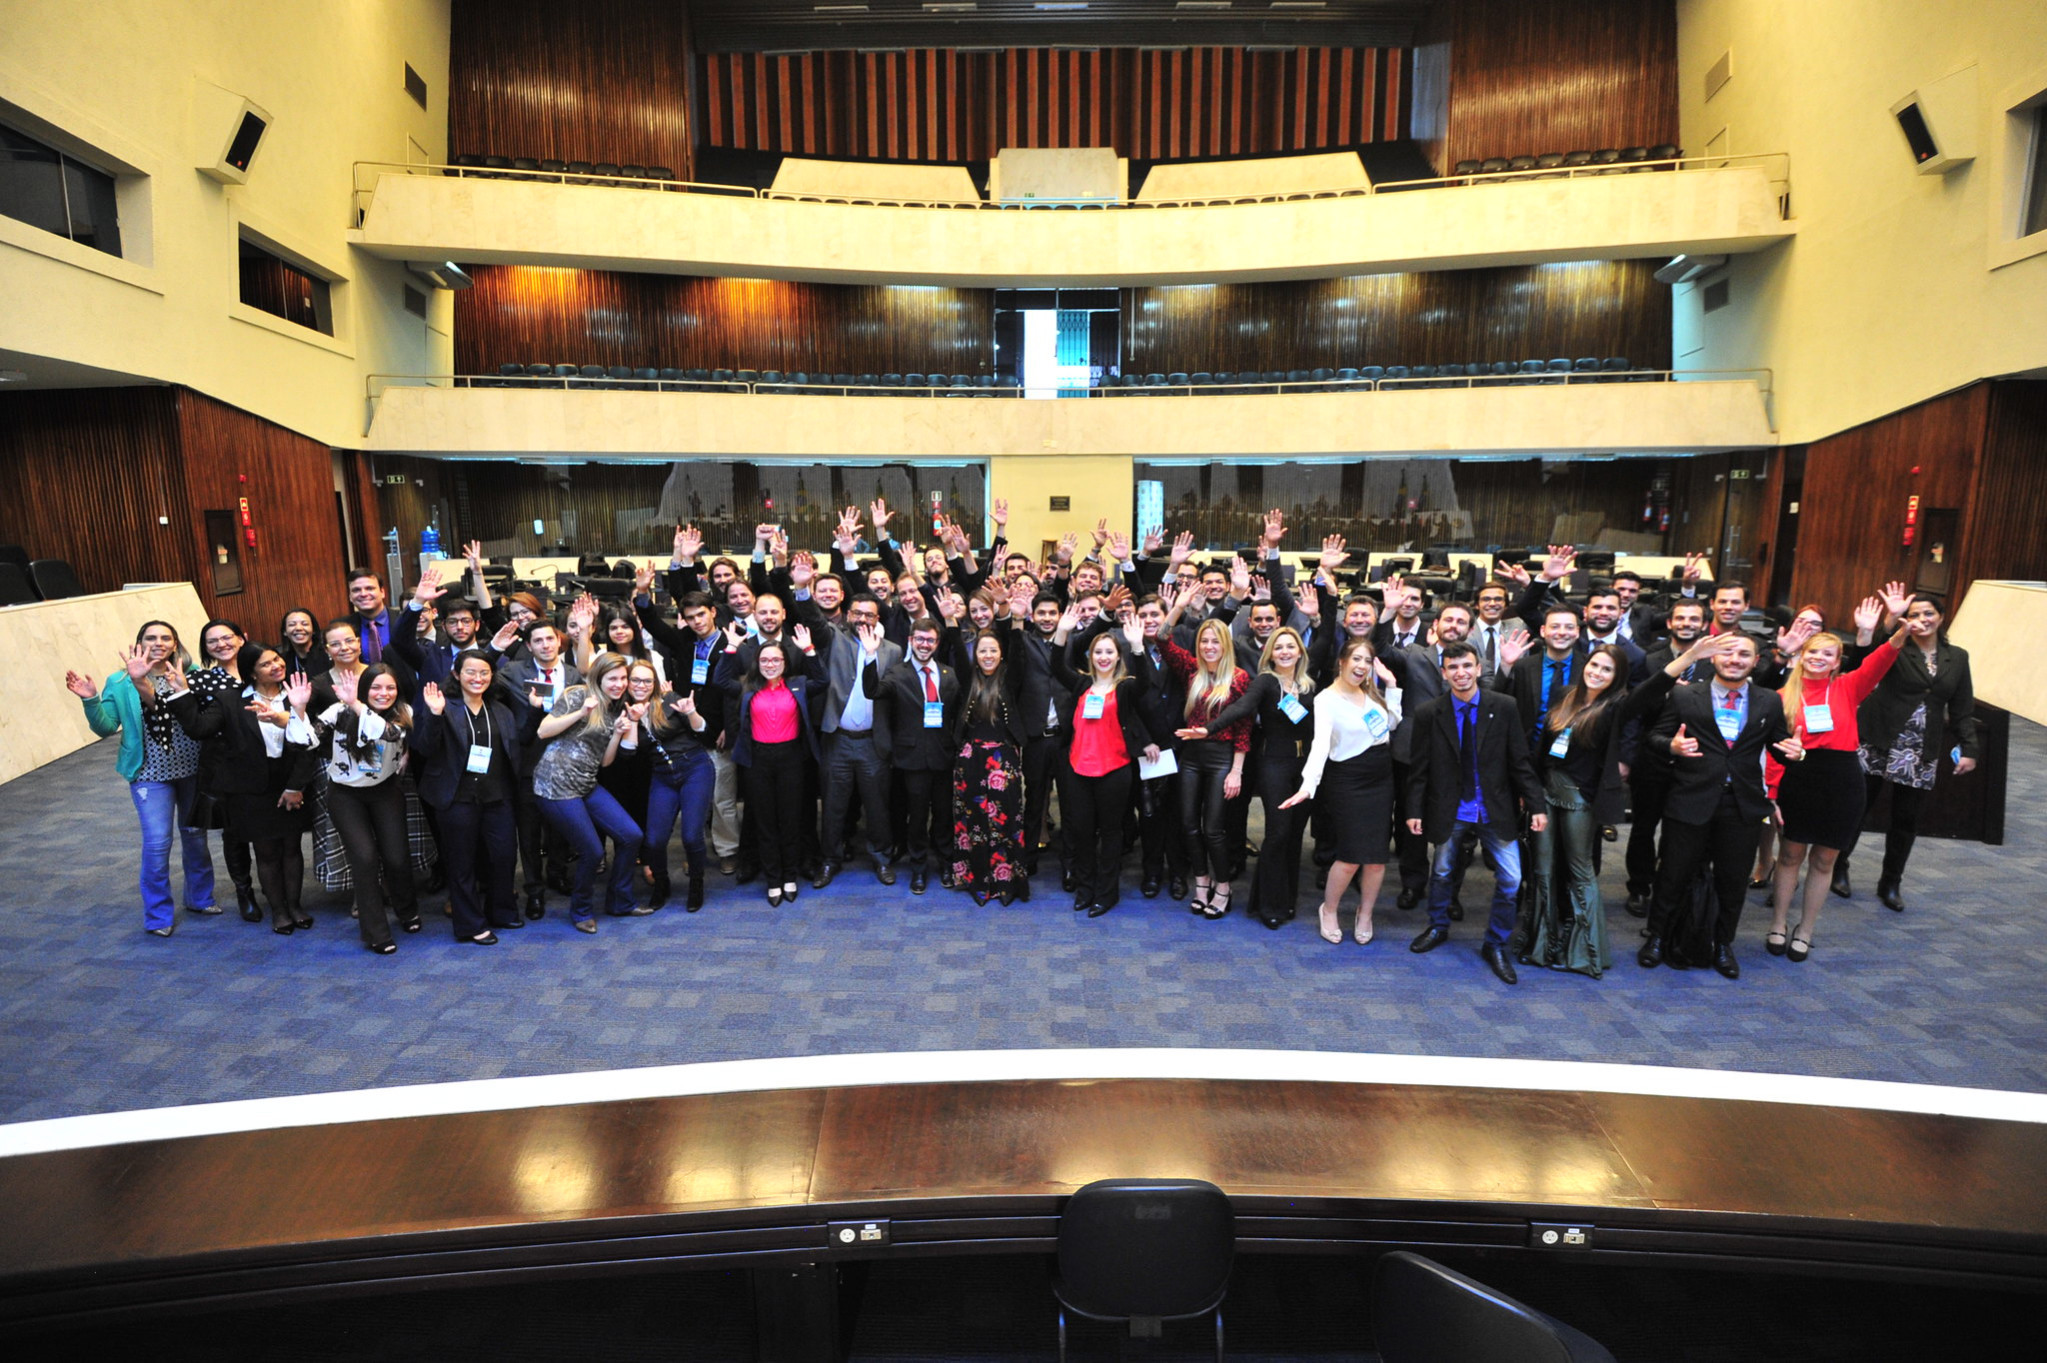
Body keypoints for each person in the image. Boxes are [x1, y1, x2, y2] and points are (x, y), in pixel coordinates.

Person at [1523, 633, 1735, 978]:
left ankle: (1585, 952)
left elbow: (1654, 686)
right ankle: (1540, 945)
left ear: (1616, 677)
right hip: (1545, 792)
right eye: (1594, 665)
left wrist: (1691, 655)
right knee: (1543, 869)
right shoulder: (1565, 696)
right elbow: (1544, 748)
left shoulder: (1618, 705)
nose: (1597, 672)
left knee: (1580, 873)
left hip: (1581, 797)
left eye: (1607, 669)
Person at [1641, 633, 1805, 978]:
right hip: (1690, 800)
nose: (1735, 659)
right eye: (1727, 653)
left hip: (1741, 805)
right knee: (1673, 873)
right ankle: (1657, 937)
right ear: (1713, 658)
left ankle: (1722, 943)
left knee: (1732, 881)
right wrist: (1671, 747)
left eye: (1744, 654)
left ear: (1756, 661)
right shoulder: (1685, 695)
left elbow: (1778, 743)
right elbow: (1655, 737)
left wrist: (1794, 753)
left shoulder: (1768, 701)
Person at [1765, 586, 1912, 960]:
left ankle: (1806, 929)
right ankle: (1779, 923)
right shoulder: (1783, 696)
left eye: (1827, 654)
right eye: (1812, 651)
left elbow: (1879, 661)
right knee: (1789, 856)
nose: (1818, 658)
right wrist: (1771, 794)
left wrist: (1898, 630)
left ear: (1836, 662)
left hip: (1842, 781)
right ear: (1801, 655)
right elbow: (1773, 751)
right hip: (1798, 779)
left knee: (1825, 860)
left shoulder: (1848, 687)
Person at [1404, 642, 1546, 985]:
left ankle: (1495, 942)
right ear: (1444, 672)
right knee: (1441, 872)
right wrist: (1414, 809)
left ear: (1479, 668)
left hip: (1494, 808)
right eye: (1452, 667)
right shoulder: (1429, 713)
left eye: (1466, 666)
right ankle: (1438, 926)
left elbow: (1520, 762)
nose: (1461, 673)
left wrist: (1537, 804)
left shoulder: (1504, 706)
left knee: (1512, 879)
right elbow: (1418, 768)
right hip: (1449, 807)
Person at [1834, 591, 1980, 912]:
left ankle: (1890, 881)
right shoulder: (1898, 648)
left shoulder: (1957, 657)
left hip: (1919, 748)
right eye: (1913, 616)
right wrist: (1887, 627)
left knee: (1906, 819)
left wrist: (1969, 747)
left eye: (1928, 614)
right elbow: (1867, 663)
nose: (1921, 621)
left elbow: (1961, 707)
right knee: (1859, 807)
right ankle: (1839, 866)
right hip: (1878, 737)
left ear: (1941, 617)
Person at [66, 622, 215, 936]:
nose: (158, 643)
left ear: (175, 643)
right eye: (151, 638)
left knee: (195, 836)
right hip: (149, 773)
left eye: (165, 638)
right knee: (158, 843)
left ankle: (200, 898)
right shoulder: (120, 681)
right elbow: (106, 727)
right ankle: (159, 915)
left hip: (193, 769)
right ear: (138, 643)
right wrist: (90, 699)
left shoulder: (193, 672)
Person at [165, 646, 318, 936]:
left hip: (291, 781)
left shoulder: (298, 693)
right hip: (251, 788)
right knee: (267, 851)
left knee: (292, 848)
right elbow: (199, 728)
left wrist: (295, 786)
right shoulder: (231, 700)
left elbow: (310, 746)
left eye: (276, 659)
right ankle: (280, 911)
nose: (276, 666)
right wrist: (182, 693)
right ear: (251, 672)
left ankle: (296, 906)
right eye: (266, 664)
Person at [1179, 627, 1319, 929]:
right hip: (1273, 764)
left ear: (1299, 652)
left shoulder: (1308, 686)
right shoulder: (1265, 682)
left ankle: (1286, 899)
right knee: (1278, 833)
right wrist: (1209, 728)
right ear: (1270, 653)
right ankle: (1266, 903)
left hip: (1304, 766)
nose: (1284, 651)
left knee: (1295, 836)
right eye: (1278, 647)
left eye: (1289, 646)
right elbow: (1241, 708)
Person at [1277, 636, 1402, 946]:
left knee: (1375, 858)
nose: (1361, 666)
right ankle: (1329, 910)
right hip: (1348, 780)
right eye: (1356, 659)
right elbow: (1319, 746)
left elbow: (1391, 725)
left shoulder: (1369, 694)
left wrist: (1393, 686)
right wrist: (1309, 786)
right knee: (1349, 857)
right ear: (1342, 662)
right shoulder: (1326, 699)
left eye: (1367, 661)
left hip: (1381, 778)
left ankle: (1365, 913)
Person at [410, 651, 530, 944]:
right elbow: (424, 748)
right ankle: (470, 924)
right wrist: (435, 716)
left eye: (484, 673)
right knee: (462, 862)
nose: (478, 678)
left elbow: (516, 746)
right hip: (457, 797)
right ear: (456, 675)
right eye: (471, 672)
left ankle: (501, 911)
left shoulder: (500, 709)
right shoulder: (443, 706)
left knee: (503, 856)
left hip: (496, 796)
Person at [531, 652, 647, 932]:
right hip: (555, 785)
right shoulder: (577, 695)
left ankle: (620, 900)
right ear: (599, 676)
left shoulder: (617, 709)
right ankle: (581, 910)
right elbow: (543, 731)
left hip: (586, 783)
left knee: (632, 835)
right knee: (592, 851)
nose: (619, 684)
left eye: (623, 679)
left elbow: (605, 761)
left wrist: (620, 732)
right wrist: (582, 712)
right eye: (613, 678)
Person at [311, 663, 421, 954]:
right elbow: (309, 738)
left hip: (386, 792)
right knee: (365, 858)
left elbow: (388, 734)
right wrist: (295, 711)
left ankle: (407, 909)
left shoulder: (404, 713)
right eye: (375, 687)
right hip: (345, 795)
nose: (383, 693)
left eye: (390, 687)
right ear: (364, 688)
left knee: (397, 858)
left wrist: (357, 705)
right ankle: (376, 932)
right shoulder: (339, 710)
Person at [1050, 609, 1152, 916]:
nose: (1104, 657)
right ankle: (1085, 889)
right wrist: (1062, 633)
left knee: (1111, 834)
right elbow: (1057, 666)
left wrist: (1137, 645)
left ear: (1118, 657)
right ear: (1091, 656)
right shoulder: (1081, 685)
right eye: (1098, 652)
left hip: (1114, 771)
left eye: (1110, 652)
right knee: (1081, 833)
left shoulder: (1126, 686)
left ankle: (1107, 894)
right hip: (1078, 770)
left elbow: (1145, 683)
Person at [1156, 612, 1251, 918]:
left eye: (1215, 642)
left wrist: (1237, 770)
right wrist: (1179, 604)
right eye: (1204, 641)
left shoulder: (1238, 678)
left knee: (1213, 829)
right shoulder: (1192, 669)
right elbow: (1161, 639)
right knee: (1187, 824)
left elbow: (1243, 729)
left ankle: (1223, 887)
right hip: (1192, 756)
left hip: (1222, 757)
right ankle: (1201, 882)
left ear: (1225, 645)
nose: (1209, 646)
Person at [1624, 599, 1712, 918]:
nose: (1686, 623)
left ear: (1703, 624)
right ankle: (1639, 886)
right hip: (1651, 756)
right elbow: (1633, 708)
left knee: (1681, 830)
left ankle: (1669, 885)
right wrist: (1668, 692)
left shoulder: (1714, 662)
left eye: (1694, 619)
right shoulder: (1648, 660)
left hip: (1695, 760)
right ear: (1670, 623)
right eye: (1680, 618)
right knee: (1644, 828)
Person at [491, 617, 583, 915]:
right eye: (538, 641)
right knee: (529, 831)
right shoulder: (514, 672)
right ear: (529, 646)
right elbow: (478, 676)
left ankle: (557, 873)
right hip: (528, 760)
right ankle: (534, 889)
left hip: (563, 761)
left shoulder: (572, 675)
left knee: (559, 825)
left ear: (559, 641)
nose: (545, 645)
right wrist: (494, 649)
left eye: (550, 639)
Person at [722, 640, 823, 906]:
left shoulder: (798, 684)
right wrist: (730, 648)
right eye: (765, 660)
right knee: (765, 822)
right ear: (757, 662)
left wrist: (810, 651)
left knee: (791, 820)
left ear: (785, 663)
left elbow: (823, 680)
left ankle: (790, 876)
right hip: (758, 760)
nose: (770, 665)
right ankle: (773, 880)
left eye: (776, 660)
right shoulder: (747, 687)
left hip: (791, 758)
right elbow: (720, 681)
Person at [866, 617, 960, 895]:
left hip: (943, 758)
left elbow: (956, 715)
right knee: (917, 818)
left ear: (937, 643)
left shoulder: (949, 674)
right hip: (912, 759)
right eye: (919, 639)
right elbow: (871, 691)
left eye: (930, 640)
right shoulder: (897, 673)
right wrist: (870, 656)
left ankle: (945, 863)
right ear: (910, 641)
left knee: (944, 816)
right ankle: (918, 868)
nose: (924, 644)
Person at [812, 600, 897, 889]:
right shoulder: (835, 639)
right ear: (848, 615)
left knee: (878, 807)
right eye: (857, 613)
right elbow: (813, 620)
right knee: (834, 806)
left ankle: (882, 858)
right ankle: (829, 860)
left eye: (869, 614)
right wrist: (800, 590)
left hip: (874, 743)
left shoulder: (893, 651)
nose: (862, 618)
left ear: (878, 618)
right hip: (838, 740)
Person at [949, 629, 1030, 905]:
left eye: (993, 650)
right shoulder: (966, 679)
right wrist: (950, 621)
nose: (987, 655)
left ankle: (1006, 882)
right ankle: (978, 880)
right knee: (974, 823)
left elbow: (1019, 658)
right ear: (975, 655)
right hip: (970, 761)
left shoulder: (1009, 679)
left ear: (1001, 653)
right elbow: (959, 654)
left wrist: (1017, 624)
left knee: (1005, 821)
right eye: (982, 650)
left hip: (1003, 761)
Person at [188, 618, 259, 920]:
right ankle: (244, 891)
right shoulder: (200, 681)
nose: (221, 644)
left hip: (264, 760)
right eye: (212, 641)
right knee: (234, 833)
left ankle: (275, 885)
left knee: (270, 828)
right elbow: (189, 718)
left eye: (227, 637)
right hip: (224, 765)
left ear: (242, 638)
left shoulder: (261, 670)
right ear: (205, 649)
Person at [637, 658, 721, 912]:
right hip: (663, 775)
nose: (641, 685)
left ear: (655, 683)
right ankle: (662, 884)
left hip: (694, 768)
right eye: (635, 680)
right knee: (654, 840)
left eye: (646, 680)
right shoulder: (623, 709)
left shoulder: (669, 699)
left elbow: (702, 731)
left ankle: (696, 883)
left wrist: (691, 712)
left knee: (691, 836)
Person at [344, 567, 396, 666]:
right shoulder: (343, 627)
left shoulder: (402, 620)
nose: (363, 594)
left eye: (370, 588)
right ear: (350, 597)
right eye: (356, 590)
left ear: (382, 592)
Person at [278, 608, 330, 678]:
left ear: (314, 630)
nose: (298, 628)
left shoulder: (328, 654)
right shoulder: (283, 661)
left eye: (305, 624)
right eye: (292, 625)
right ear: (284, 632)